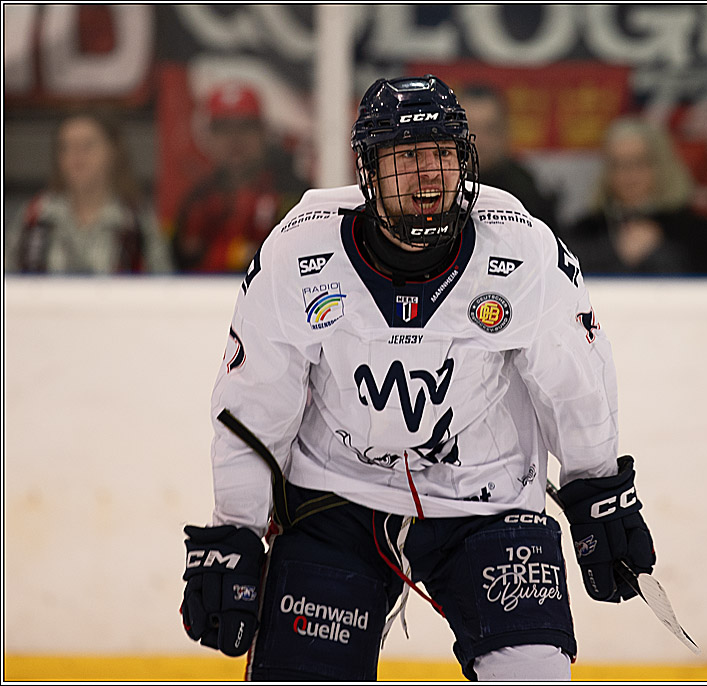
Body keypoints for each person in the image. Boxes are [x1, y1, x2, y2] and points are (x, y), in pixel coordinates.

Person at [180, 75, 659, 681]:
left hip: (486, 499)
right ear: (369, 172)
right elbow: (254, 404)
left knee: (533, 672)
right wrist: (237, 532)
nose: (429, 174)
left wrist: (596, 491)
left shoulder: (522, 248)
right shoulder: (297, 254)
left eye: (442, 155)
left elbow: (573, 380)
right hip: (335, 501)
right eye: (407, 157)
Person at [563, 116, 707, 275]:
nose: (628, 175)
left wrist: (659, 252)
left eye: (639, 163)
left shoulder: (700, 233)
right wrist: (614, 254)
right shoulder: (585, 231)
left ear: (663, 167)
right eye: (618, 165)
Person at [6, 110, 171, 274]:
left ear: (113, 152)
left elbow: (164, 289)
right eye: (66, 147)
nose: (76, 156)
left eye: (87, 146)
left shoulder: (136, 222)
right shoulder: (35, 216)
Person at [172, 81, 307, 273]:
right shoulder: (195, 204)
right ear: (209, 137)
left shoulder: (294, 196)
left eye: (245, 127)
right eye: (224, 129)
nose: (235, 140)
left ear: (263, 133)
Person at [459, 83, 561, 233]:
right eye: (469, 129)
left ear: (505, 131)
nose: (478, 141)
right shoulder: (437, 183)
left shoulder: (527, 192)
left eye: (490, 129)